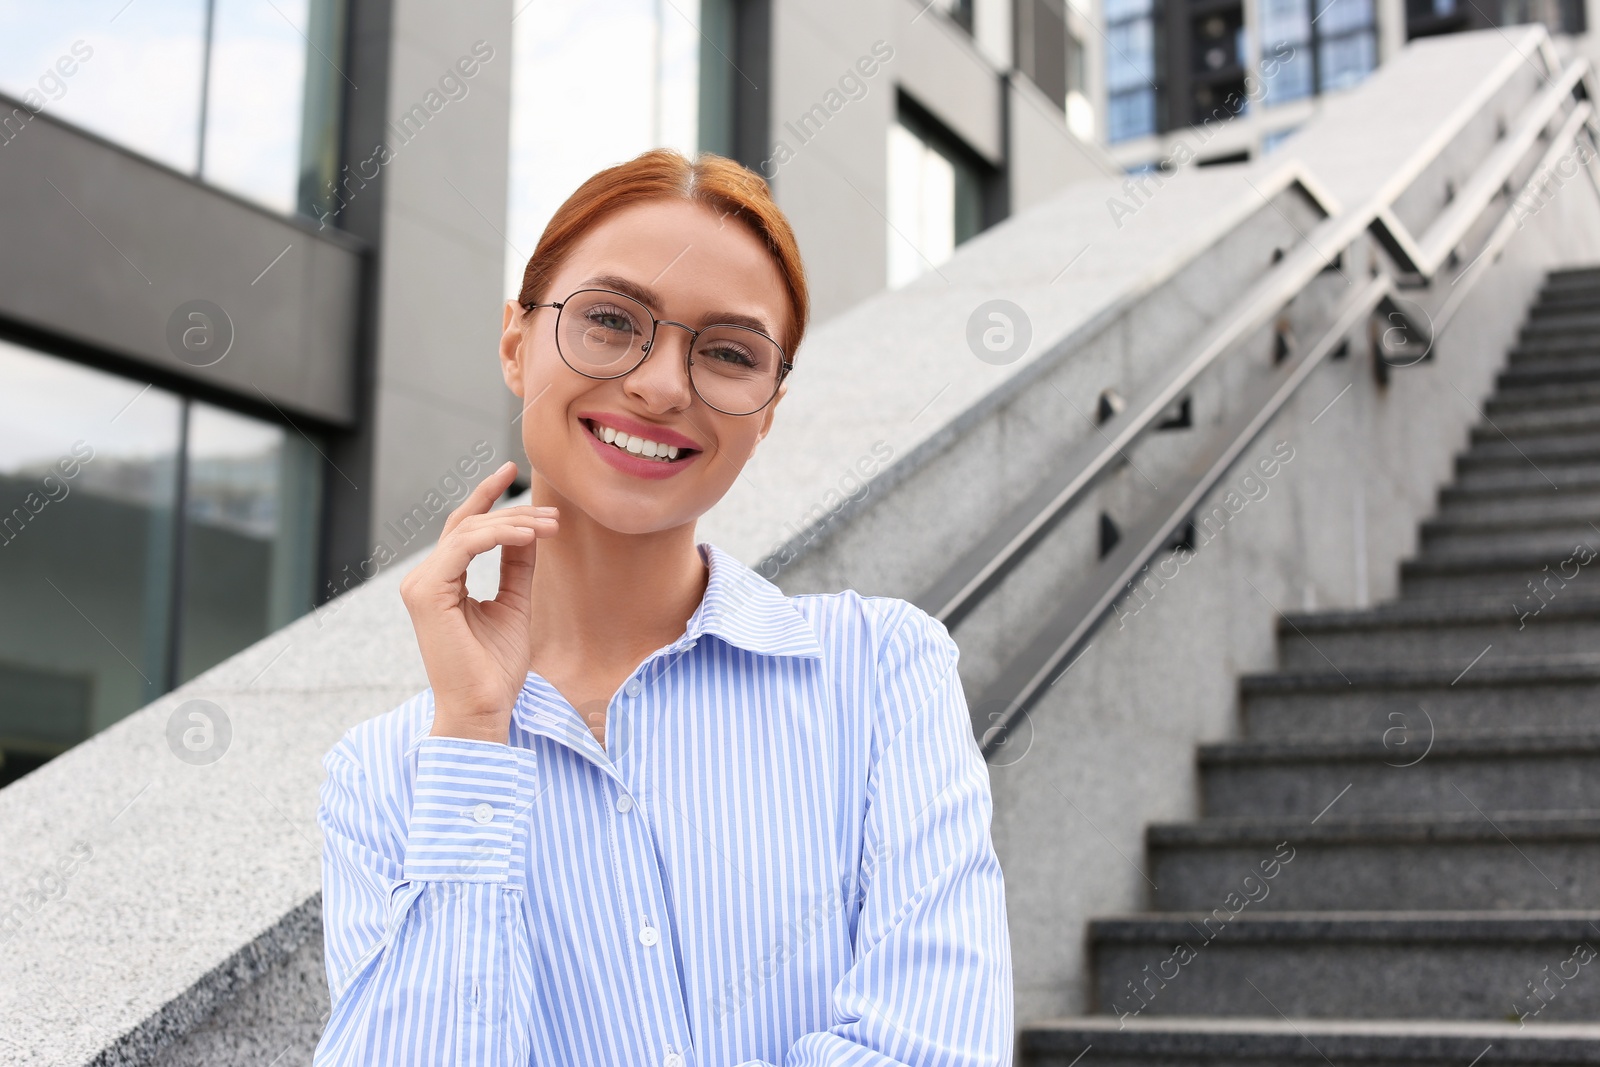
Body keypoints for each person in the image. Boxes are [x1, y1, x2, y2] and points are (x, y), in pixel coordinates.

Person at [312, 147, 1014, 1066]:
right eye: (610, 320)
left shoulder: (882, 673)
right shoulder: (386, 775)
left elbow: (935, 1052)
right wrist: (475, 734)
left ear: (767, 410)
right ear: (517, 343)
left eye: (728, 352)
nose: (661, 385)